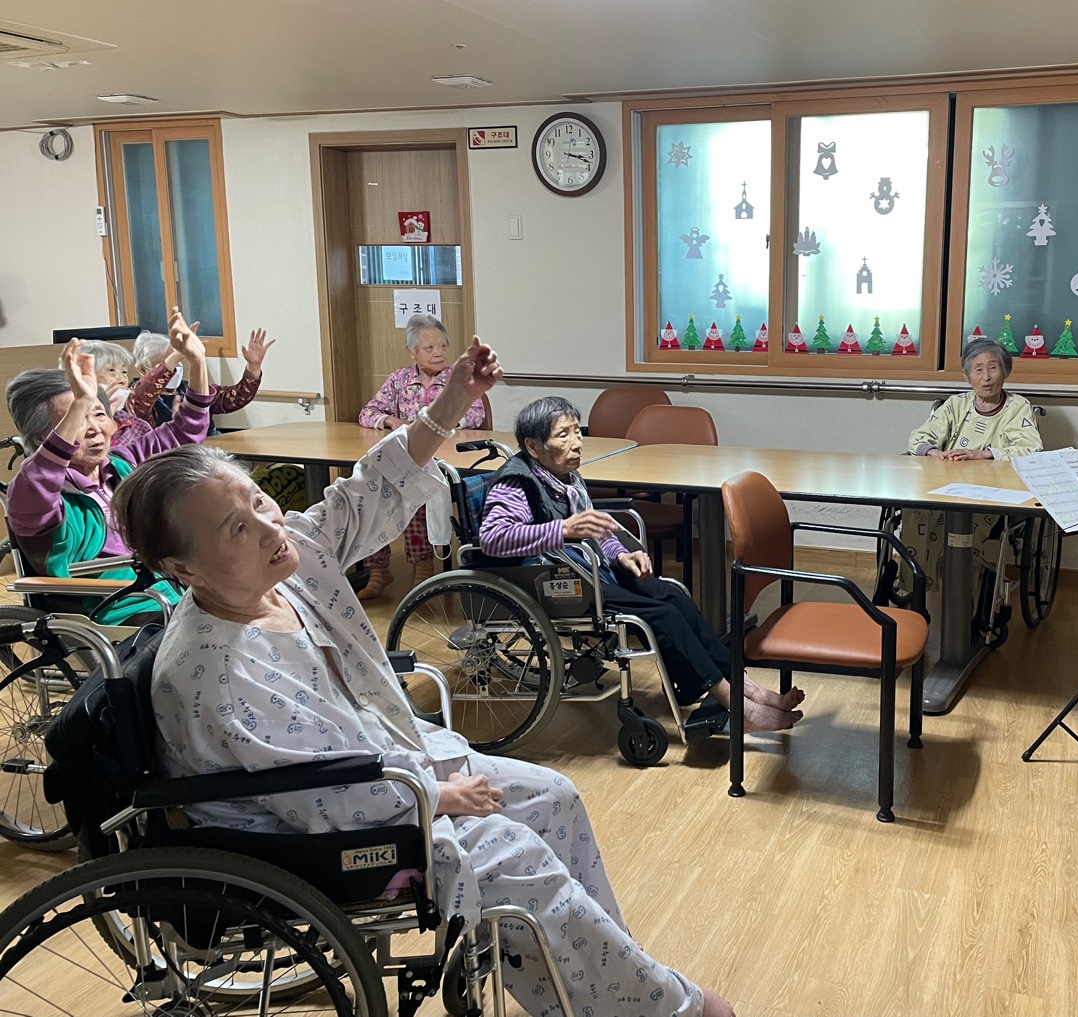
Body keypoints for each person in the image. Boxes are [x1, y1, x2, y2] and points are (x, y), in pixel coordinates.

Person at [111, 339, 734, 1017]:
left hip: (391, 770)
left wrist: (454, 398)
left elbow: (369, 490)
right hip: (325, 834)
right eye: (238, 528)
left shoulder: (288, 562)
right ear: (184, 569)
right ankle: (661, 1005)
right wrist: (438, 796)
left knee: (554, 795)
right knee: (514, 854)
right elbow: (315, 794)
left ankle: (606, 976)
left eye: (262, 501)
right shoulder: (215, 671)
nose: (270, 527)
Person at [478, 396, 804, 732]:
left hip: (587, 569)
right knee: (661, 615)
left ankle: (748, 690)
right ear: (534, 446)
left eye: (577, 431)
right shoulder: (518, 483)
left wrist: (621, 554)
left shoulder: (565, 478)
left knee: (674, 596)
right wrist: (563, 529)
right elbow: (493, 538)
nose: (576, 442)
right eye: (564, 435)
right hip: (553, 581)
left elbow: (597, 532)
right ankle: (736, 705)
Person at [4, 308, 213, 623]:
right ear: (41, 437)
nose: (93, 429)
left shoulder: (121, 464)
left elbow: (184, 432)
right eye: (77, 418)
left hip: (170, 594)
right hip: (115, 610)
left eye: (99, 414)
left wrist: (197, 362)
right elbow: (40, 476)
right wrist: (81, 401)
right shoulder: (35, 494)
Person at [897, 337, 1043, 604]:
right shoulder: (956, 405)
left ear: (1005, 371)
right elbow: (919, 437)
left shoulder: (1017, 407)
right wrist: (933, 452)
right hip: (944, 488)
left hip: (991, 491)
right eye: (978, 369)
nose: (986, 377)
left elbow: (1031, 450)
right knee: (916, 509)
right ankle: (917, 590)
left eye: (993, 368)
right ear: (967, 376)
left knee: (966, 523)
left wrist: (984, 453)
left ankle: (960, 597)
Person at [355, 314, 489, 599]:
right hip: (404, 458)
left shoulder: (458, 378)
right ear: (413, 352)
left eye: (443, 346)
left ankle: (423, 567)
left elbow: (476, 414)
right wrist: (391, 421)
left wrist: (445, 420)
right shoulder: (399, 380)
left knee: (413, 492)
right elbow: (368, 412)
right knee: (373, 495)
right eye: (429, 348)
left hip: (443, 464)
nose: (438, 352)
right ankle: (378, 569)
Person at [127, 326, 273, 431]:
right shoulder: (136, 396)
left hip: (209, 450)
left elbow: (235, 398)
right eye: (167, 363)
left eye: (178, 361)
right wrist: (175, 357)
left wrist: (253, 367)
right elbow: (143, 396)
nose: (174, 368)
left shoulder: (190, 389)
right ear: (142, 369)